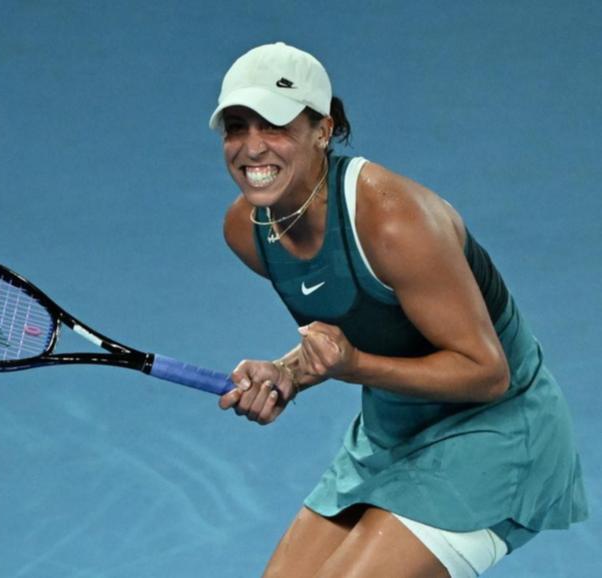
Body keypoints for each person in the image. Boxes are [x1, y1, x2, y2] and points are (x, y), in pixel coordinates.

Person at [210, 42, 587, 578]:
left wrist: (354, 366)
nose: (251, 149)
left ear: (323, 129)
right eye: (236, 126)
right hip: (390, 433)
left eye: (274, 126)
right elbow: (364, 322)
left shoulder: (393, 220)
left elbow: (487, 374)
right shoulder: (247, 230)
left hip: (495, 431)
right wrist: (288, 372)